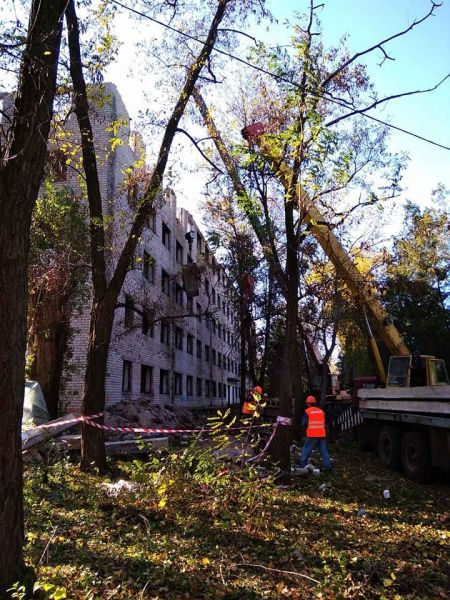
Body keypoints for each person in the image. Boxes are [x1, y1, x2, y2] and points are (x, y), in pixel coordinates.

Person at [298, 395, 332, 471]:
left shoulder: (308, 411)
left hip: (312, 433)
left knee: (307, 449)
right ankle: (328, 466)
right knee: (323, 450)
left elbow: (304, 423)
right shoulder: (321, 411)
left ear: (308, 404)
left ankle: (302, 464)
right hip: (322, 433)